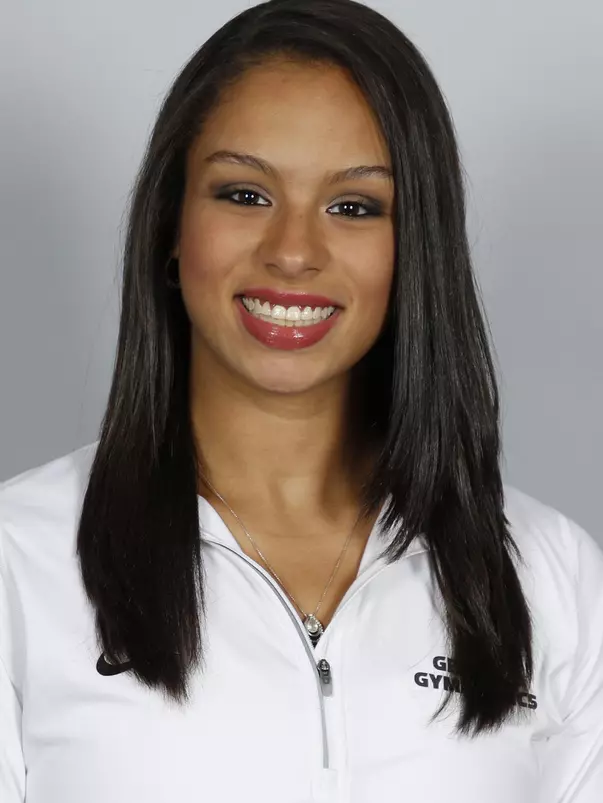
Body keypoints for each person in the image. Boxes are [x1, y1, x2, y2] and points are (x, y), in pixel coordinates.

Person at [1, 0, 602, 800]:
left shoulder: (550, 575)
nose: (291, 251)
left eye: (353, 206)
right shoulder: (19, 564)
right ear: (171, 229)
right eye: (243, 194)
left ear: (413, 246)